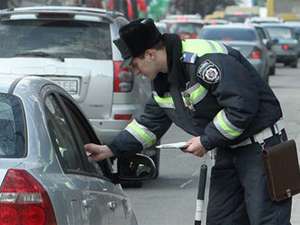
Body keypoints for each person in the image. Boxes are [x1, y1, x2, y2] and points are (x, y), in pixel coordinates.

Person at [84, 18, 292, 225]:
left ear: (150, 54)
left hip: (263, 149)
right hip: (228, 151)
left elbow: (241, 106)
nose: (135, 72)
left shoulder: (205, 61)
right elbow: (147, 126)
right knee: (222, 221)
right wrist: (110, 150)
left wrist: (205, 140)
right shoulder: (163, 81)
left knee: (269, 221)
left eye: (135, 65)